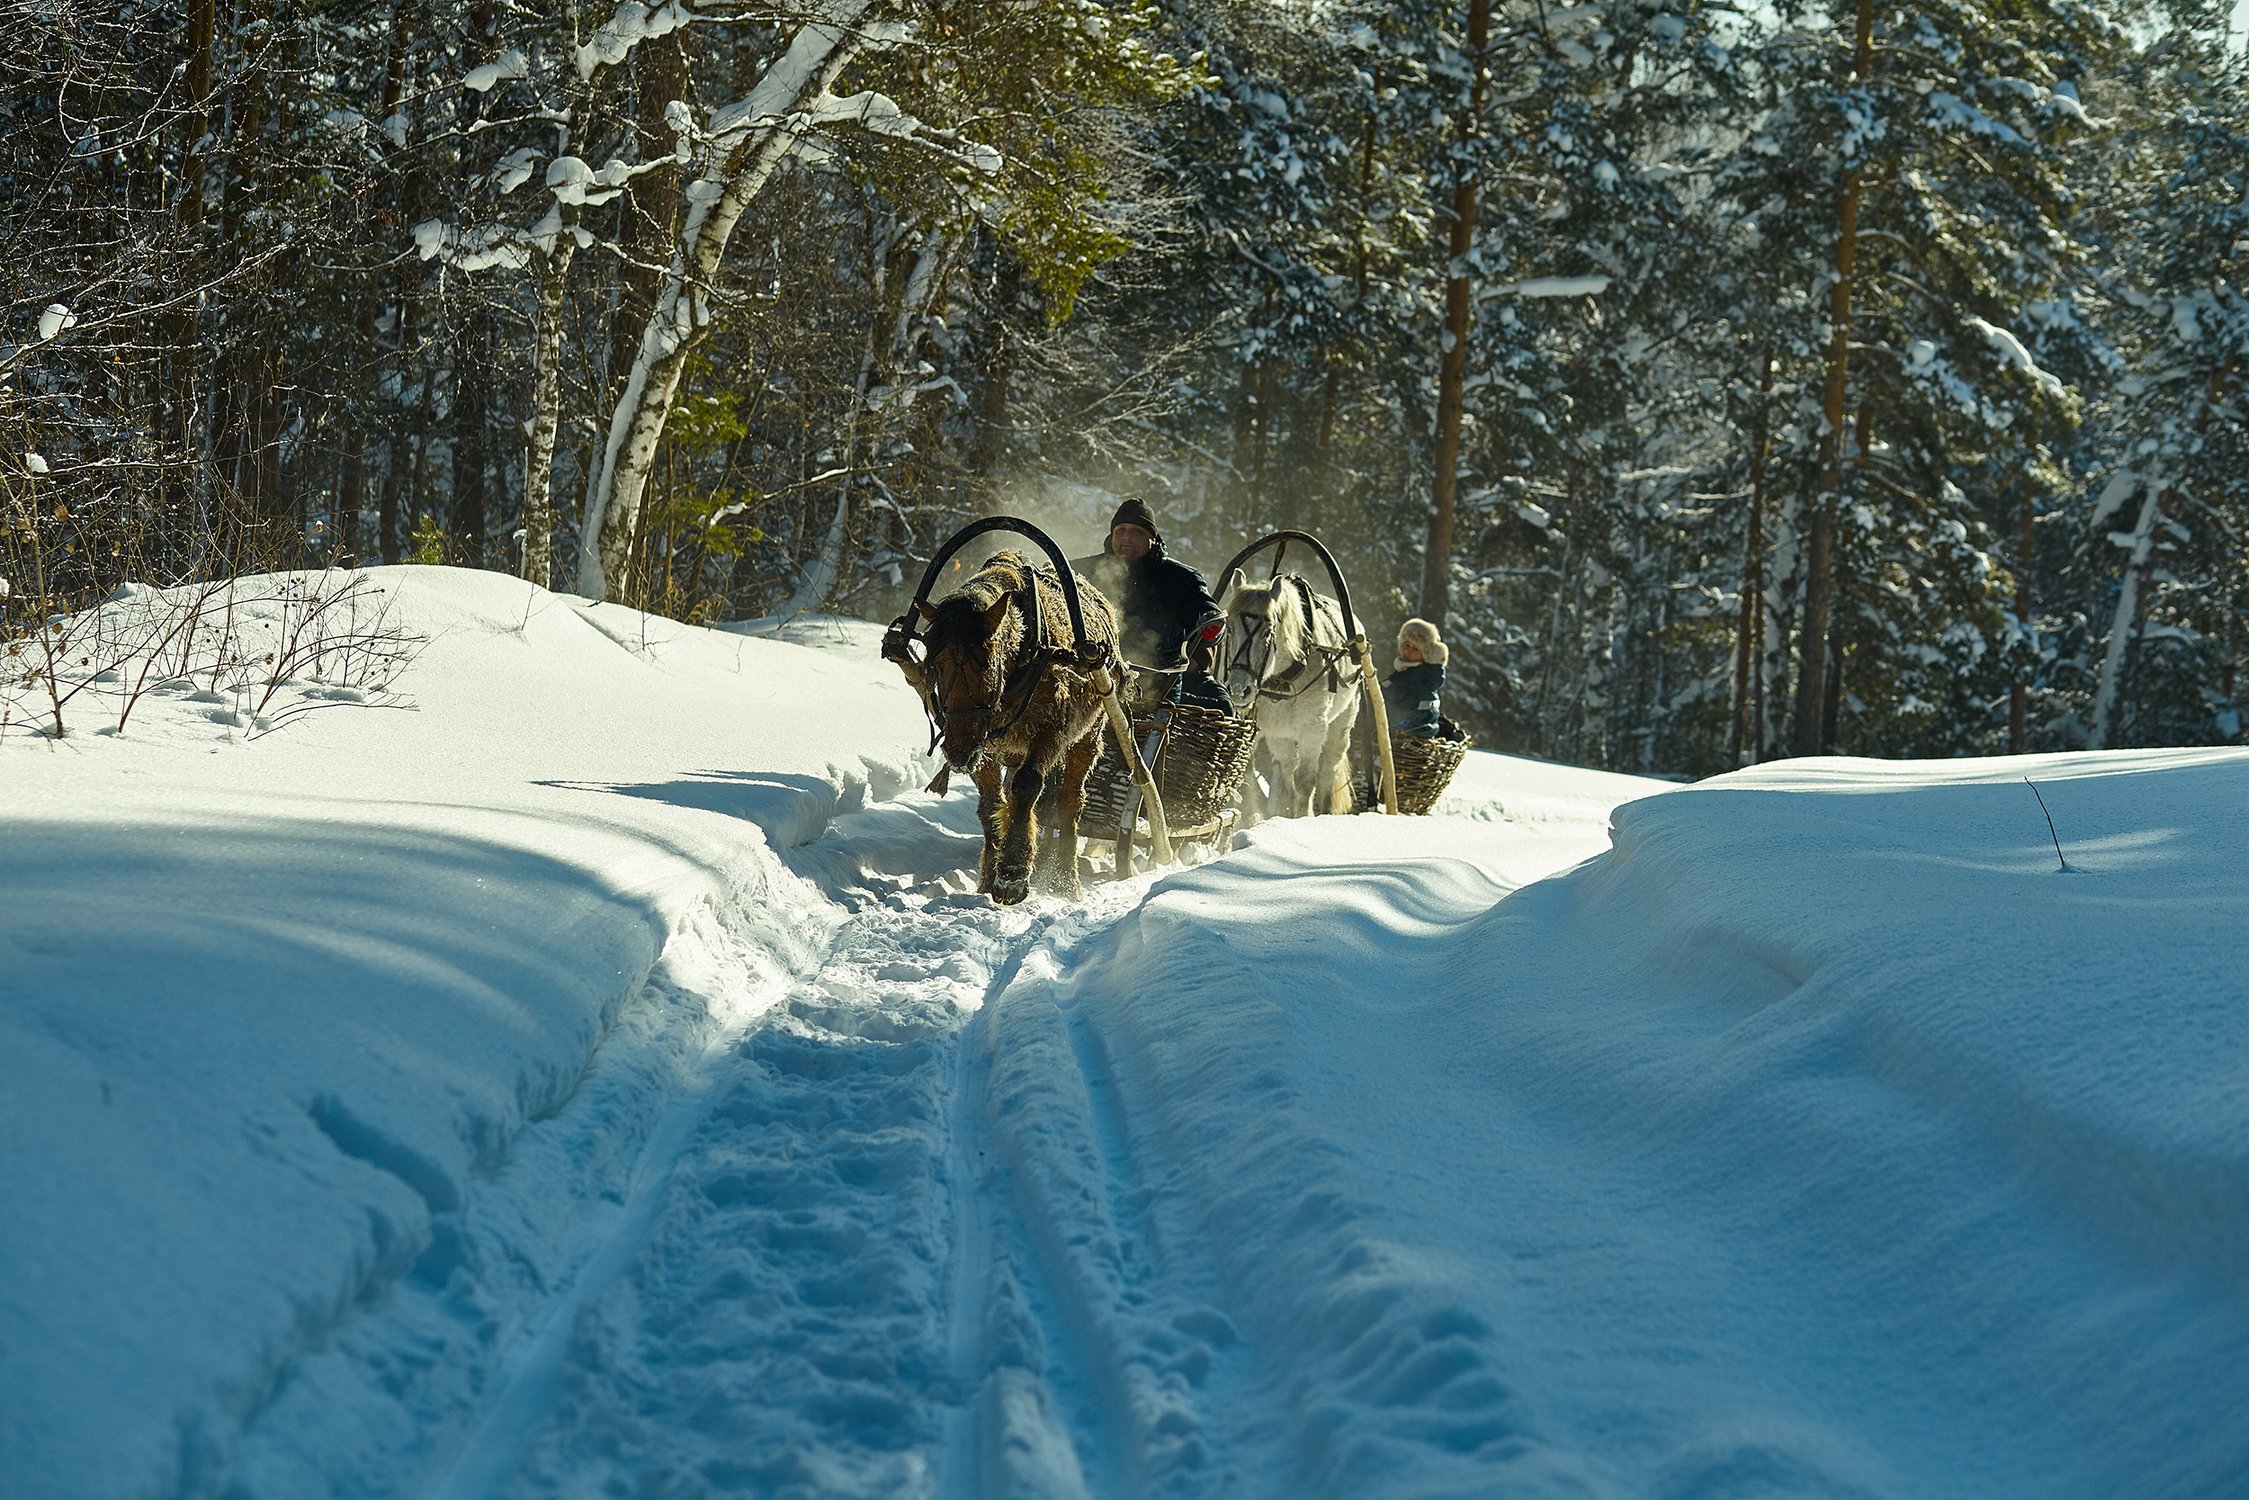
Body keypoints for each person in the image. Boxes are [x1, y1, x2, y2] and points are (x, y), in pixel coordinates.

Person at [1074, 498, 1231, 712]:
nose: (1127, 537)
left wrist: (1209, 623)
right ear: (1111, 535)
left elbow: (1208, 621)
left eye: (1137, 531)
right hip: (1090, 688)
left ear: (1152, 538)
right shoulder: (1081, 572)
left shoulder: (1181, 580)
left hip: (1158, 694)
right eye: (1121, 530)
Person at [1384, 617, 1448, 737]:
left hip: (1404, 741)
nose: (1407, 651)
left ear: (1427, 654)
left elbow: (1419, 720)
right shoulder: (1405, 675)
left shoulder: (1419, 681)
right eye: (1406, 645)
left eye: (1415, 648)